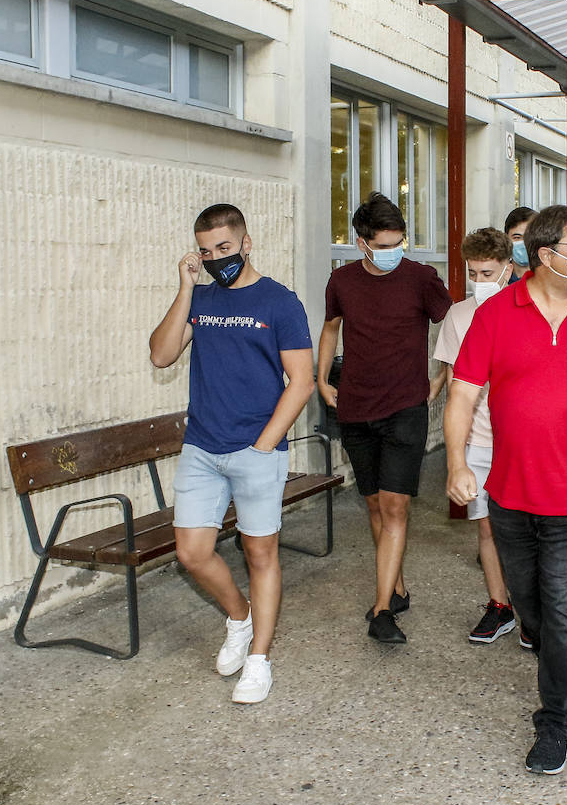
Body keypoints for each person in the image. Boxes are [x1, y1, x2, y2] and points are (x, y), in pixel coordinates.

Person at [444, 205, 567, 775]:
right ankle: (537, 632)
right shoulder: (495, 315)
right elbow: (461, 395)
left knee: (564, 612)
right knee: (530, 605)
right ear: (544, 255)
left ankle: (555, 719)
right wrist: (456, 463)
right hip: (509, 491)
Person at [148, 203, 315, 704]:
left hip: (256, 450)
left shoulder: (279, 302)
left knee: (260, 554)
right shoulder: (201, 299)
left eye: (224, 247)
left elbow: (301, 381)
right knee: (192, 554)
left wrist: (265, 444)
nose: (216, 257)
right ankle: (239, 618)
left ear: (245, 243)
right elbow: (161, 355)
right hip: (202, 448)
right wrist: (185, 287)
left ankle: (260, 659)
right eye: (205, 250)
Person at [319, 192, 452, 645]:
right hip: (355, 408)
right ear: (362, 243)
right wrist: (321, 379)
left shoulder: (422, 279)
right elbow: (331, 326)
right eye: (385, 244)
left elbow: (452, 327)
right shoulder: (342, 281)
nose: (394, 251)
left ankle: (381, 612)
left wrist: (439, 376)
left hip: (404, 409)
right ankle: (394, 587)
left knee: (396, 506)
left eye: (400, 242)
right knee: (375, 504)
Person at [432, 227, 519, 644]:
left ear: (508, 268)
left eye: (489, 272)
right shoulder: (458, 315)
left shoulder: (530, 311)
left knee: (528, 529)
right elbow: (454, 389)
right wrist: (458, 457)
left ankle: (533, 610)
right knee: (487, 528)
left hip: (521, 441)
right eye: (474, 273)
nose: (481, 281)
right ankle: (499, 605)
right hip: (481, 442)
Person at [504, 207, 537, 282]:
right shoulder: (499, 277)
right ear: (506, 239)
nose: (524, 243)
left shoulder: (549, 277)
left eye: (528, 237)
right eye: (517, 237)